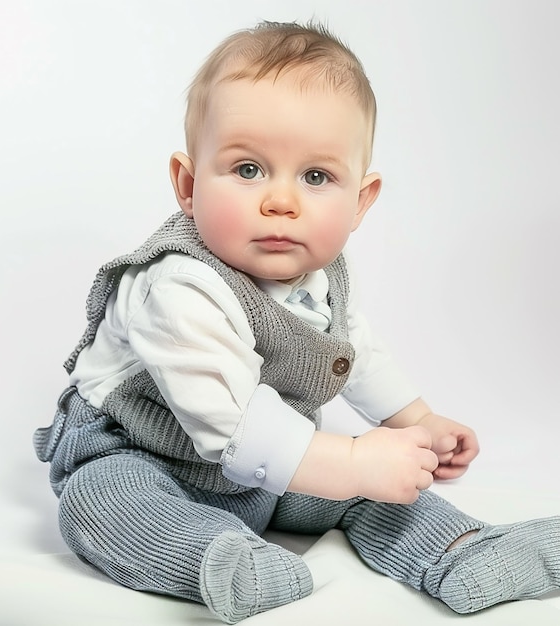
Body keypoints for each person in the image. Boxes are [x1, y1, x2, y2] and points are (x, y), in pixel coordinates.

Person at [33, 20, 559, 624]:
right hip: (144, 456)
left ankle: (465, 552)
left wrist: (416, 421)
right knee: (103, 505)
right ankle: (218, 559)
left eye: (316, 177)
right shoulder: (178, 286)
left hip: (267, 469)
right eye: (249, 169)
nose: (281, 201)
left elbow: (350, 347)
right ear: (188, 182)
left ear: (361, 201)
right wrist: (355, 459)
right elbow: (232, 428)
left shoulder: (322, 272)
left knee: (372, 487)